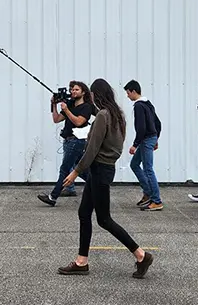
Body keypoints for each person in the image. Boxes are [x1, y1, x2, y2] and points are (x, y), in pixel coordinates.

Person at [56, 78, 154, 279]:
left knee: (104, 219)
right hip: (103, 169)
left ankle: (141, 255)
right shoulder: (118, 115)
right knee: (84, 213)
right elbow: (115, 145)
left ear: (96, 95)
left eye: (91, 94)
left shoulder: (103, 115)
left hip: (99, 169)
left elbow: (92, 148)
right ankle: (81, 261)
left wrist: (75, 172)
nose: (90, 97)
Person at [38, 81, 95, 207]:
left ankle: (52, 197)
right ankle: (97, 187)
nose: (73, 92)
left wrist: (67, 110)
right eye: (72, 90)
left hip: (76, 141)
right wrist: (53, 105)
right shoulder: (70, 104)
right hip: (68, 140)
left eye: (76, 90)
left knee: (64, 169)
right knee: (80, 169)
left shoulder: (86, 107)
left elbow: (79, 122)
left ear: (83, 92)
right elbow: (56, 119)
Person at [124, 80, 163, 211]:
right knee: (134, 164)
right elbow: (158, 123)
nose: (127, 96)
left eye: (128, 93)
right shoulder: (148, 104)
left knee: (148, 169)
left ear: (133, 91)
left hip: (146, 139)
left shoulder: (139, 106)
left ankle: (156, 201)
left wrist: (135, 145)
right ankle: (148, 193)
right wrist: (156, 139)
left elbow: (141, 128)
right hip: (150, 138)